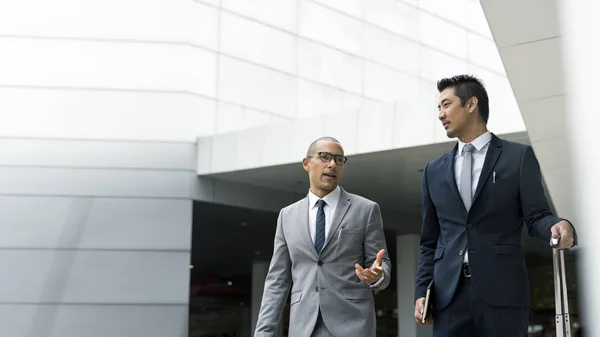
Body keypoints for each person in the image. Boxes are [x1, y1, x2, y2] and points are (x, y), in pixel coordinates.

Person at [413, 75, 577, 336]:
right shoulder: (433, 171)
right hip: (448, 298)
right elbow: (430, 241)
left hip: (503, 294)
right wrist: (422, 291)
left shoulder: (518, 157)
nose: (441, 114)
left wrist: (559, 225)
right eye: (439, 108)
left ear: (471, 104)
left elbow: (536, 216)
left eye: (446, 105)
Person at [254, 136, 391, 337]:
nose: (332, 164)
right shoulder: (287, 216)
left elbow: (381, 263)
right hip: (303, 326)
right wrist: (263, 332)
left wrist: (378, 276)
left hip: (352, 325)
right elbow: (277, 280)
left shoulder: (366, 209)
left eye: (339, 159)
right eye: (325, 157)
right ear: (306, 163)